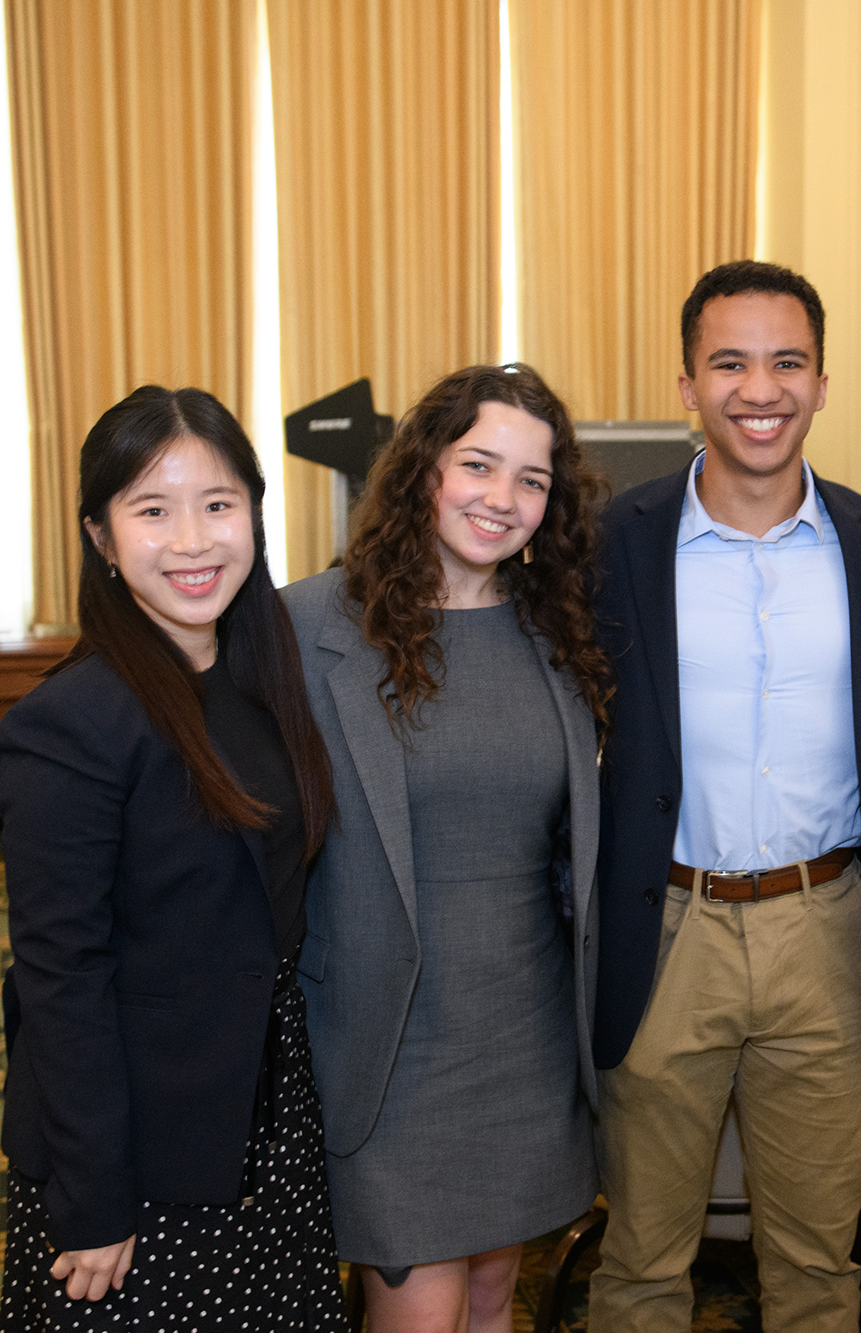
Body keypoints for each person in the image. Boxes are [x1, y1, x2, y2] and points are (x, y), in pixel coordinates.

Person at [587, 260, 861, 1333]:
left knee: (818, 1263)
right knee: (642, 1259)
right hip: (666, 931)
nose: (759, 387)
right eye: (728, 361)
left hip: (825, 930)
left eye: (786, 361)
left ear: (823, 382)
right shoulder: (611, 543)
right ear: (687, 381)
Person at [0, 386, 343, 1330]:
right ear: (102, 538)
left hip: (264, 1125)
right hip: (135, 1154)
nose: (194, 539)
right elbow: (62, 978)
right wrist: (93, 1198)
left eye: (219, 504)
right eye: (153, 509)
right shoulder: (67, 724)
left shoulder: (266, 681)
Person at [283, 363, 610, 1332]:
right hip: (386, 1046)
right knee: (418, 1306)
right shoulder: (307, 625)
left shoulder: (559, 632)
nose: (500, 499)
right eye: (478, 465)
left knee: (490, 1295)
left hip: (524, 1030)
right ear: (423, 466)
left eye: (530, 480)